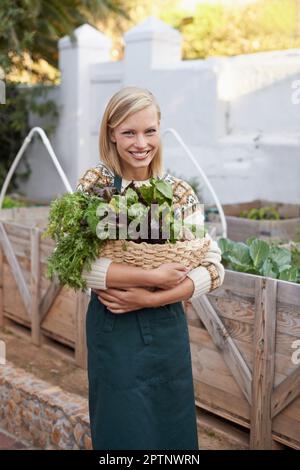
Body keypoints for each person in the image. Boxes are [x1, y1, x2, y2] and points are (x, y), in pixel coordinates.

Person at [76, 86, 224, 450]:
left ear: (160, 128)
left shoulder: (177, 193)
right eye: (129, 132)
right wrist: (151, 277)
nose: (141, 143)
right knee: (121, 433)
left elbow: (213, 266)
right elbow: (78, 265)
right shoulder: (97, 186)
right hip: (113, 328)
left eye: (149, 131)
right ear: (111, 132)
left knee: (171, 431)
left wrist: (154, 298)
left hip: (166, 326)